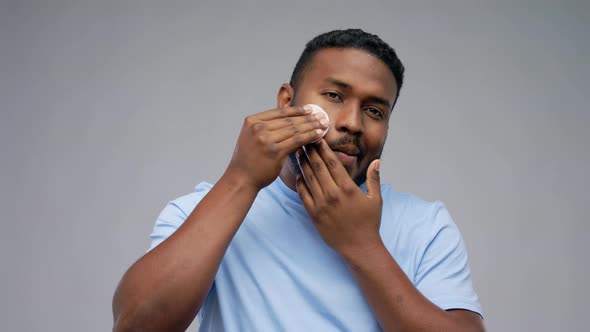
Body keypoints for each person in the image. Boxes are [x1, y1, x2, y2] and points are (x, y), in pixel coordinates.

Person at [112, 29, 484, 331]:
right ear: (287, 102)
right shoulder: (203, 211)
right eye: (335, 95)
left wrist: (362, 244)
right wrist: (241, 180)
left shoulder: (425, 225)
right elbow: (136, 326)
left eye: (373, 110)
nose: (353, 123)